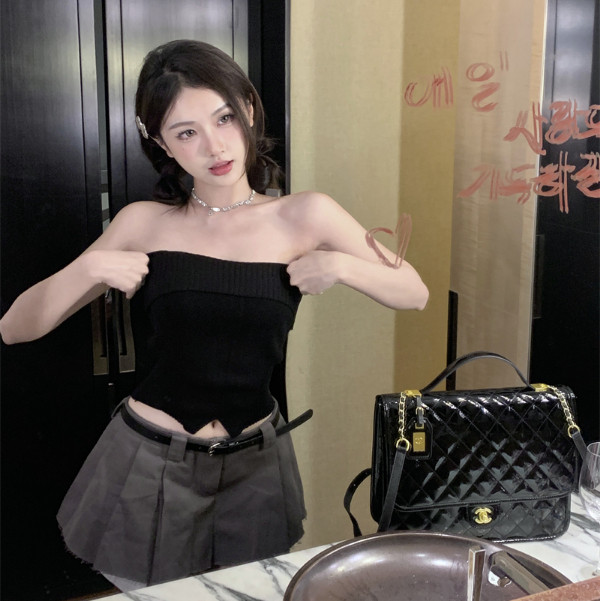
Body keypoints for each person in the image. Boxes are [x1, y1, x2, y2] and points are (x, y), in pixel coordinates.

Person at [0, 40, 429, 591]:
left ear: (248, 109)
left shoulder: (305, 214)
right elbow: (16, 327)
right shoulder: (143, 222)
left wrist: (343, 266)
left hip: (255, 468)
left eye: (224, 118)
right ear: (161, 143)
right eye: (186, 132)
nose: (215, 146)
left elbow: (413, 291)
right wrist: (89, 269)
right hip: (150, 465)